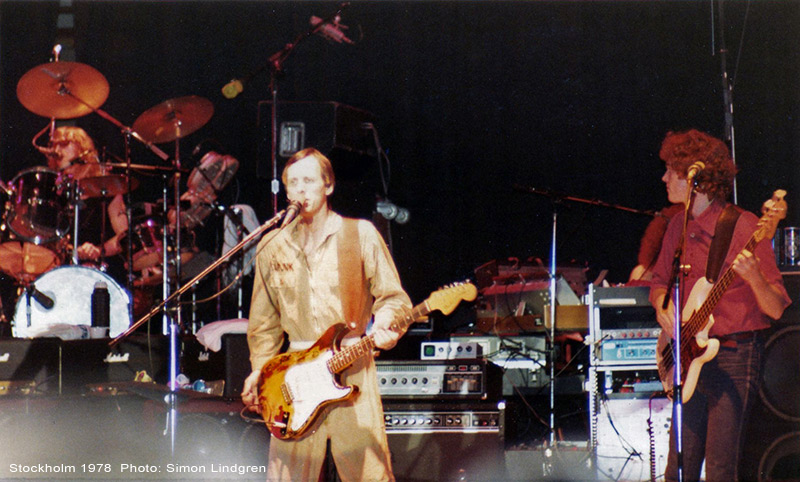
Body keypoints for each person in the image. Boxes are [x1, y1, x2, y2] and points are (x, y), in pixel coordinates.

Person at [241, 147, 412, 481]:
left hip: (351, 369)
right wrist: (260, 371)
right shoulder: (271, 246)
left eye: (309, 180)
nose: (301, 189)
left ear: (328, 186)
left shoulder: (359, 235)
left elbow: (394, 298)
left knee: (369, 476)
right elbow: (263, 324)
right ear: (286, 191)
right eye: (294, 183)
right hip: (292, 379)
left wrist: (388, 322)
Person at [647, 129, 791, 481]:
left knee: (720, 469)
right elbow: (657, 283)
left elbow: (776, 309)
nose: (664, 177)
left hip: (734, 355)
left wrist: (755, 276)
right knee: (677, 469)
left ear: (697, 180)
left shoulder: (743, 225)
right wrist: (661, 305)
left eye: (671, 171)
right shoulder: (676, 226)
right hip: (686, 356)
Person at [43, 126, 127, 263]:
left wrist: (98, 250)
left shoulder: (108, 187)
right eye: (54, 146)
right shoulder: (52, 191)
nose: (57, 151)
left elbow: (124, 237)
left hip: (98, 271)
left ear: (82, 148)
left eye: (63, 145)